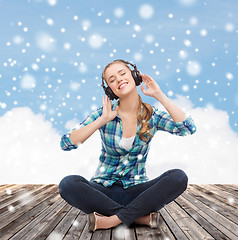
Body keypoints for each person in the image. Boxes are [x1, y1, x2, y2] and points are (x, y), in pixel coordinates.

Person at [59, 59, 197, 232]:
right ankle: (137, 217)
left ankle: (111, 220)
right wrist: (101, 121)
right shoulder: (104, 113)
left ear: (134, 76)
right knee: (68, 184)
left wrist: (159, 95)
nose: (118, 79)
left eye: (122, 73)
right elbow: (66, 143)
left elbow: (188, 128)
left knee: (178, 177)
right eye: (112, 79)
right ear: (109, 89)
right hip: (103, 191)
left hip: (138, 191)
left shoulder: (152, 116)